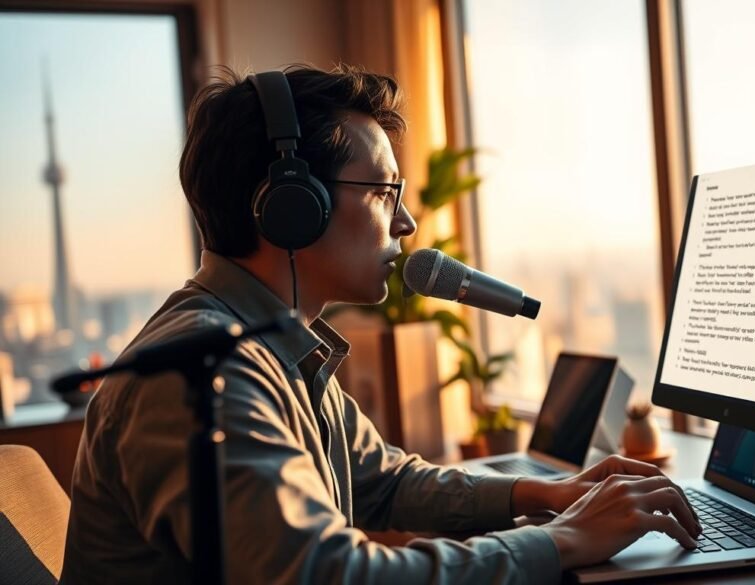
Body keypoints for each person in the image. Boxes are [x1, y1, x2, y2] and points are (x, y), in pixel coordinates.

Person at [60, 64, 700, 584]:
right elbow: (324, 575)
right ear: (290, 205)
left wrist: (547, 496)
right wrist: (562, 542)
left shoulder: (279, 343)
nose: (406, 225)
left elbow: (385, 483)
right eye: (384, 193)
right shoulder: (204, 373)